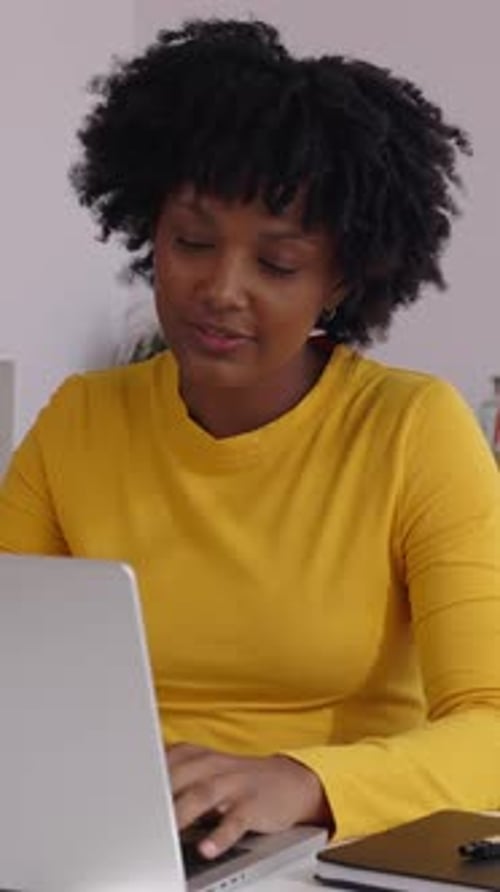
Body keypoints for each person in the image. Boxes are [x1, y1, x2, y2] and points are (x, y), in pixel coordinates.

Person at [1, 17, 500, 862]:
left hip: (324, 851)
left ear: (341, 278)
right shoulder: (80, 421)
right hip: (110, 843)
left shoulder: (414, 431)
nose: (220, 290)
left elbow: (491, 729)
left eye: (277, 264)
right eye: (192, 242)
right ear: (148, 233)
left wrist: (301, 780)